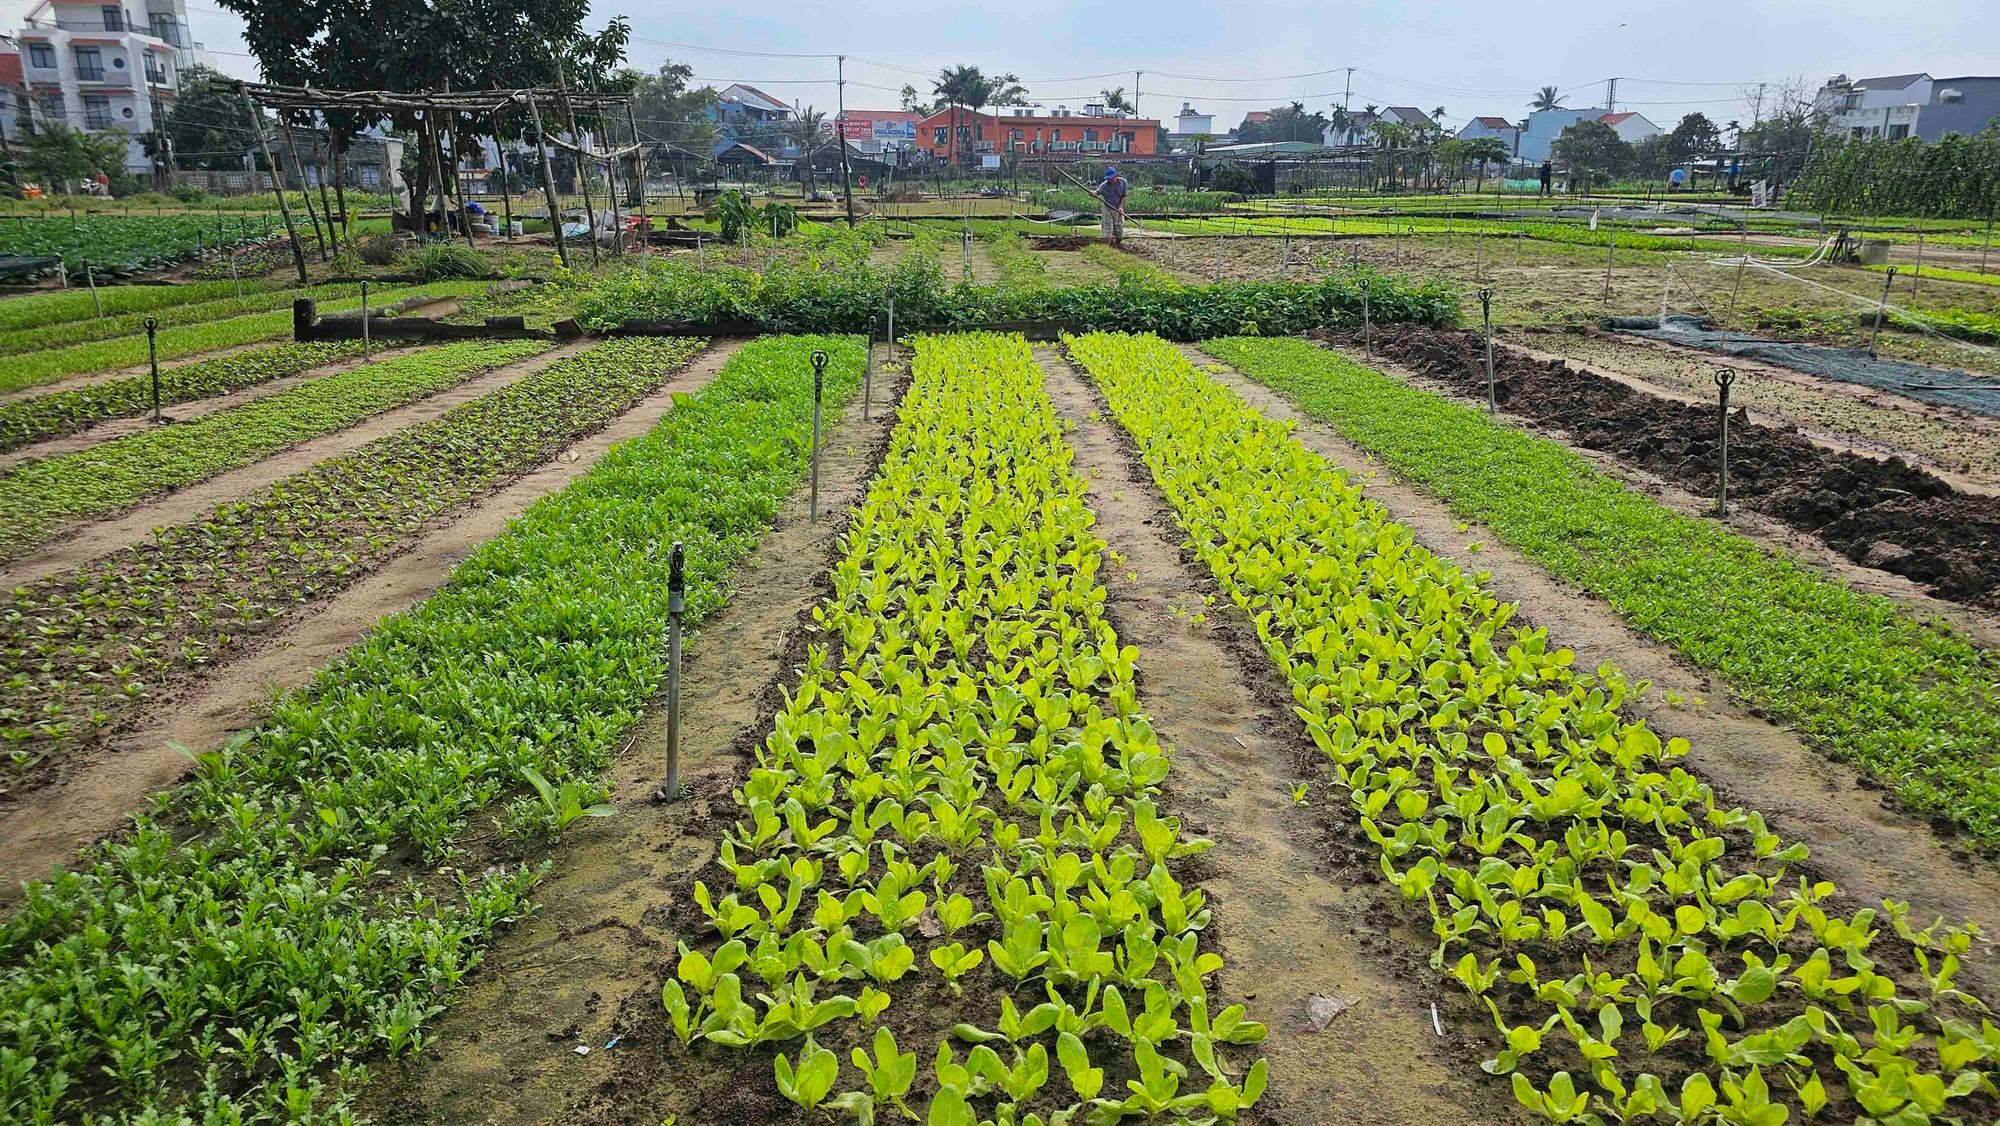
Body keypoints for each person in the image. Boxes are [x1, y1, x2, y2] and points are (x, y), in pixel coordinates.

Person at [1089, 166, 1129, 244]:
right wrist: (1093, 193)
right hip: (1107, 207)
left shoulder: (1123, 182)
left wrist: (1121, 207)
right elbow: (1097, 193)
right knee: (1107, 227)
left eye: (1111, 179)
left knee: (1118, 228)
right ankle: (1107, 246)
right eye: (1108, 179)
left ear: (1116, 176)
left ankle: (1118, 245)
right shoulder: (1104, 185)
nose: (1109, 181)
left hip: (1117, 208)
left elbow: (1124, 195)